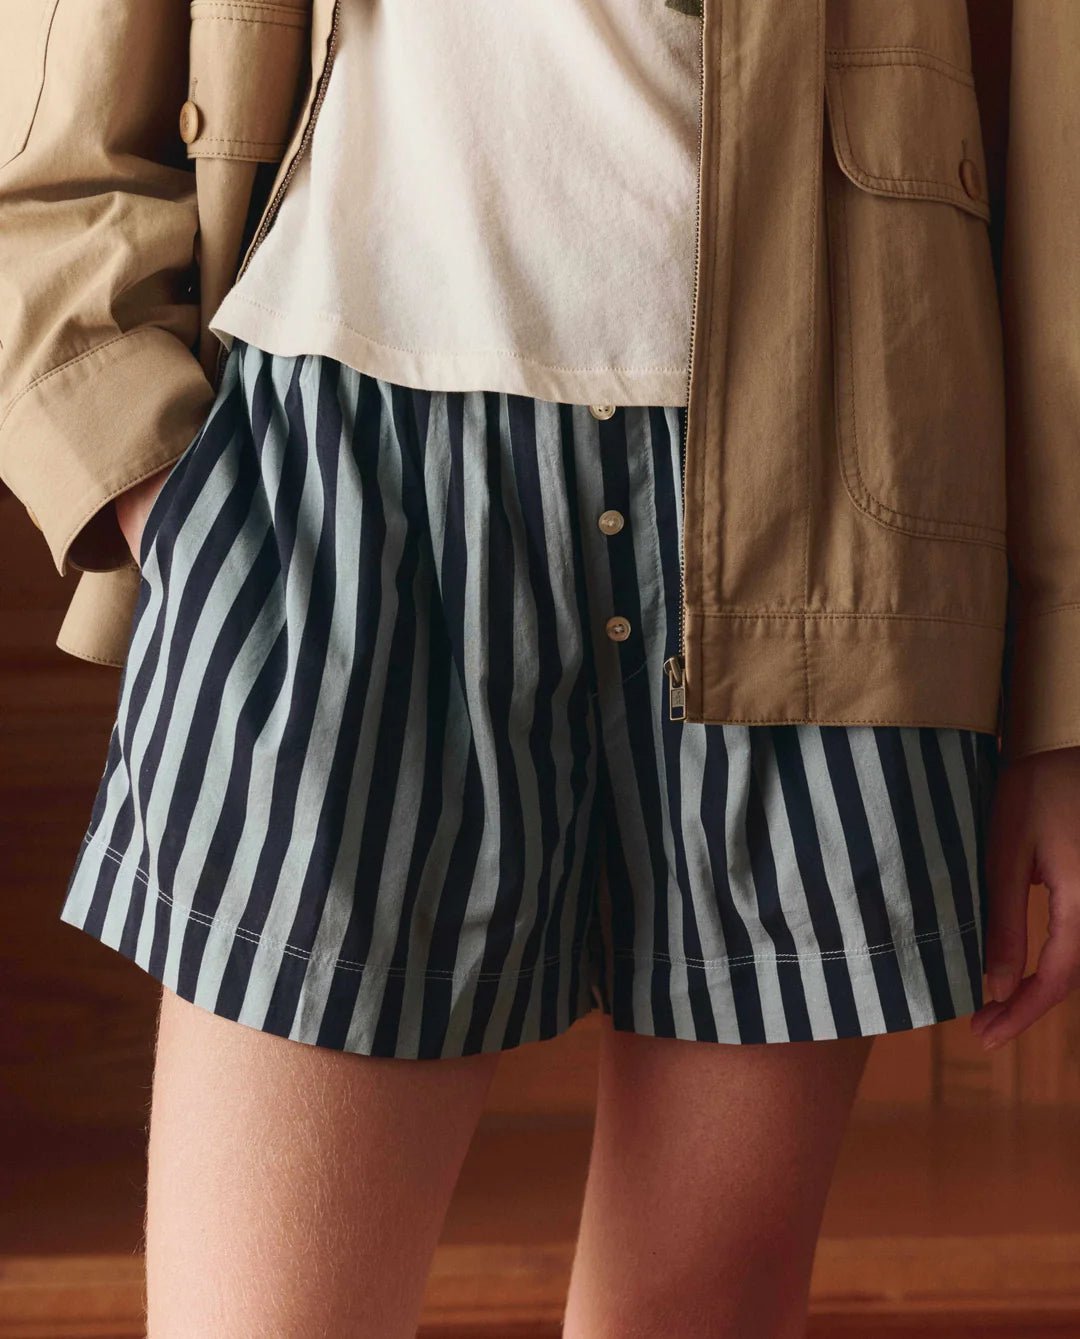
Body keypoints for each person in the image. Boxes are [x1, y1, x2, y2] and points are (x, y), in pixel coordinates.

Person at [2, 0, 1079, 1335]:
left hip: (834, 490)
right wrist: (152, 484)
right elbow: (53, 112)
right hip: (348, 470)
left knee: (703, 1311)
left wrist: (1062, 697)